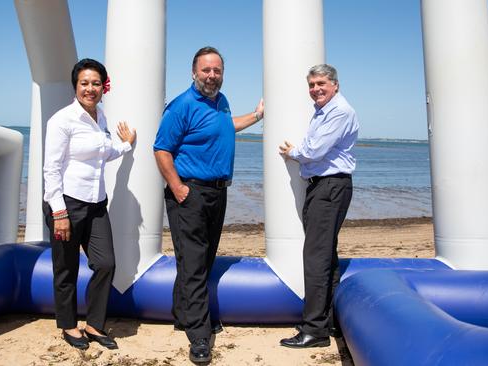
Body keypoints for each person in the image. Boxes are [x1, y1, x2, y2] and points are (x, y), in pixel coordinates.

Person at [153, 46, 263, 364]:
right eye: (206, 70)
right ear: (193, 72)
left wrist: (257, 115)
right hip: (190, 193)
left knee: (201, 259)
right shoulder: (182, 105)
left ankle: (183, 315)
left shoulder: (221, 103)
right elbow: (161, 149)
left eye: (217, 70)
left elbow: (228, 126)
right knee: (193, 262)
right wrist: (177, 187)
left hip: (217, 192)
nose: (212, 75)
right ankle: (200, 336)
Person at [42, 58, 136, 350]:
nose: (90, 88)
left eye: (96, 83)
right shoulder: (62, 120)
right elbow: (51, 170)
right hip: (66, 205)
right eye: (85, 83)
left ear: (103, 87)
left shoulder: (102, 118)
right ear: (76, 86)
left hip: (96, 205)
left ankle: (94, 325)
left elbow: (103, 154)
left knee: (106, 263)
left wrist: (126, 145)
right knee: (66, 268)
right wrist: (59, 213)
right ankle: (69, 327)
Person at [278, 64, 358, 348]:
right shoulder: (324, 111)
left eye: (321, 83)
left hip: (330, 188)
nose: (316, 89)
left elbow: (314, 151)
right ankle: (329, 321)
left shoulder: (339, 111)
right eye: (311, 85)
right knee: (326, 257)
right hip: (325, 187)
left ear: (335, 84)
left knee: (315, 258)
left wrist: (292, 153)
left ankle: (314, 330)